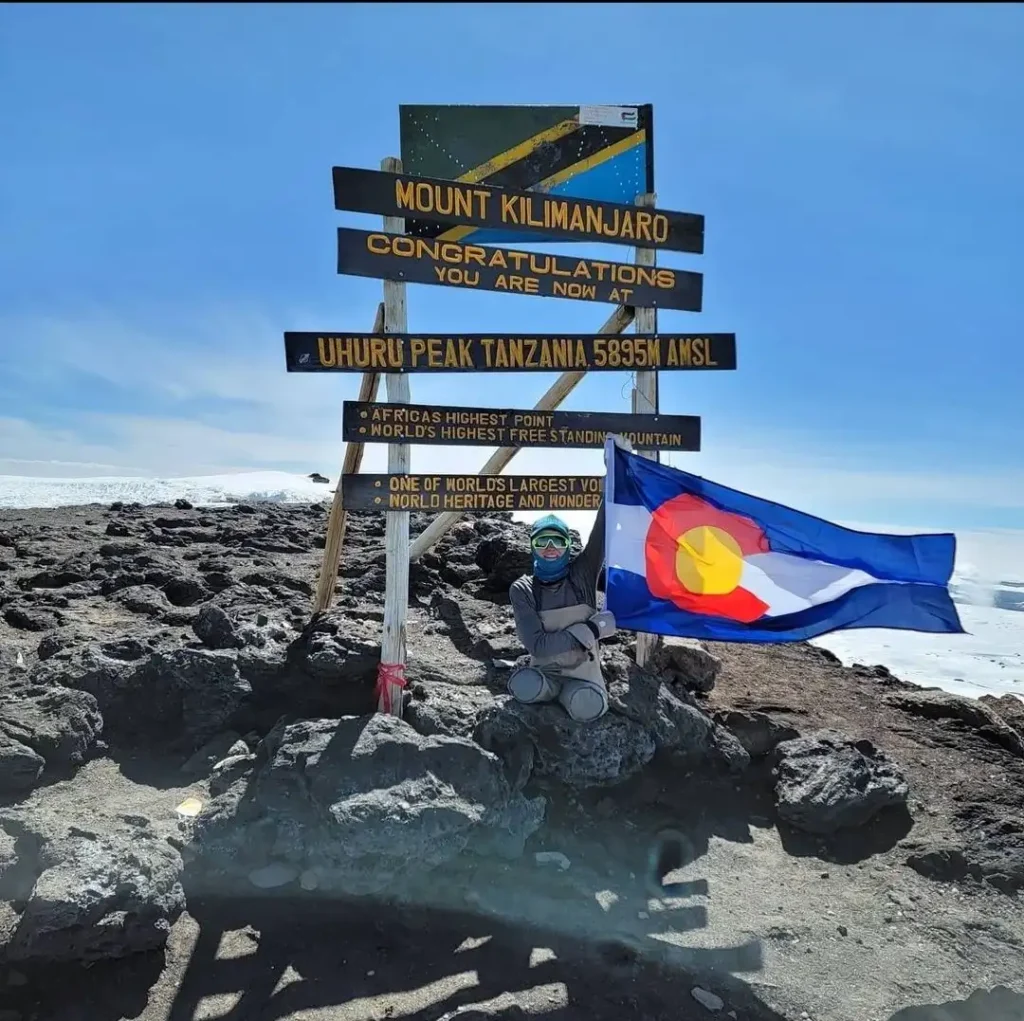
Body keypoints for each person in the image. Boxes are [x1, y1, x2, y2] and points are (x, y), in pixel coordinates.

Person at [506, 436, 630, 723]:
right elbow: (537, 647)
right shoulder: (523, 589)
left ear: (568, 545)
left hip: (585, 678)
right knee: (528, 685)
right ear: (532, 546)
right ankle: (546, 690)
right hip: (544, 675)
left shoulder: (583, 574)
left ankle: (575, 695)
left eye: (558, 540)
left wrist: (615, 473)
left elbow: (606, 524)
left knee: (585, 704)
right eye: (542, 540)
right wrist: (590, 630)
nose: (550, 547)